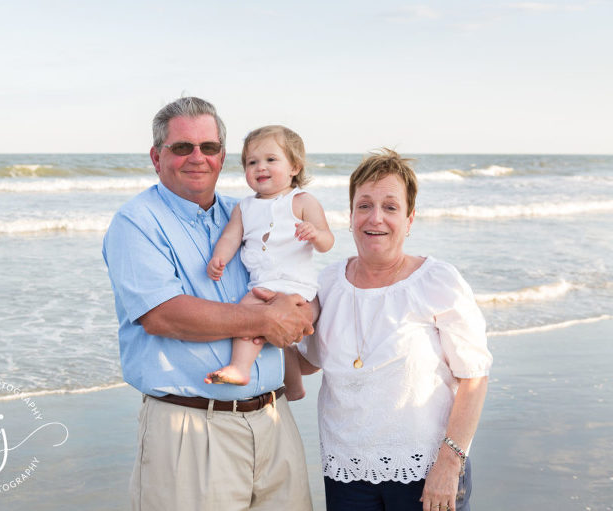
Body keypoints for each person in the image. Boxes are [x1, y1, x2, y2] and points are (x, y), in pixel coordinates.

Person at [102, 97, 314, 511]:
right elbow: (164, 316)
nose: (197, 157)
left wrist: (304, 314)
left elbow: (299, 274)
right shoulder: (136, 222)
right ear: (156, 156)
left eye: (209, 147)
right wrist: (266, 319)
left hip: (275, 422)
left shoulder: (248, 212)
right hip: (191, 430)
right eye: (182, 147)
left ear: (222, 155)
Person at [292, 149, 492, 511]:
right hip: (345, 471)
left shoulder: (437, 281)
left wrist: (450, 463)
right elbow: (307, 363)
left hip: (427, 470)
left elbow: (474, 377)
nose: (376, 218)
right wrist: (260, 323)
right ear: (350, 216)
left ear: (410, 219)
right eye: (364, 205)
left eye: (390, 206)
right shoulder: (327, 283)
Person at [205, 125, 334, 388]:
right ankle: (241, 368)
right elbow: (231, 237)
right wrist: (219, 257)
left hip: (297, 285)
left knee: (285, 329)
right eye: (252, 162)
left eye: (271, 160)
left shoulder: (302, 201)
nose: (260, 167)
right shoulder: (245, 207)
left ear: (294, 167)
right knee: (246, 317)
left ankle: (290, 380)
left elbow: (327, 241)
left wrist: (315, 234)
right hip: (263, 285)